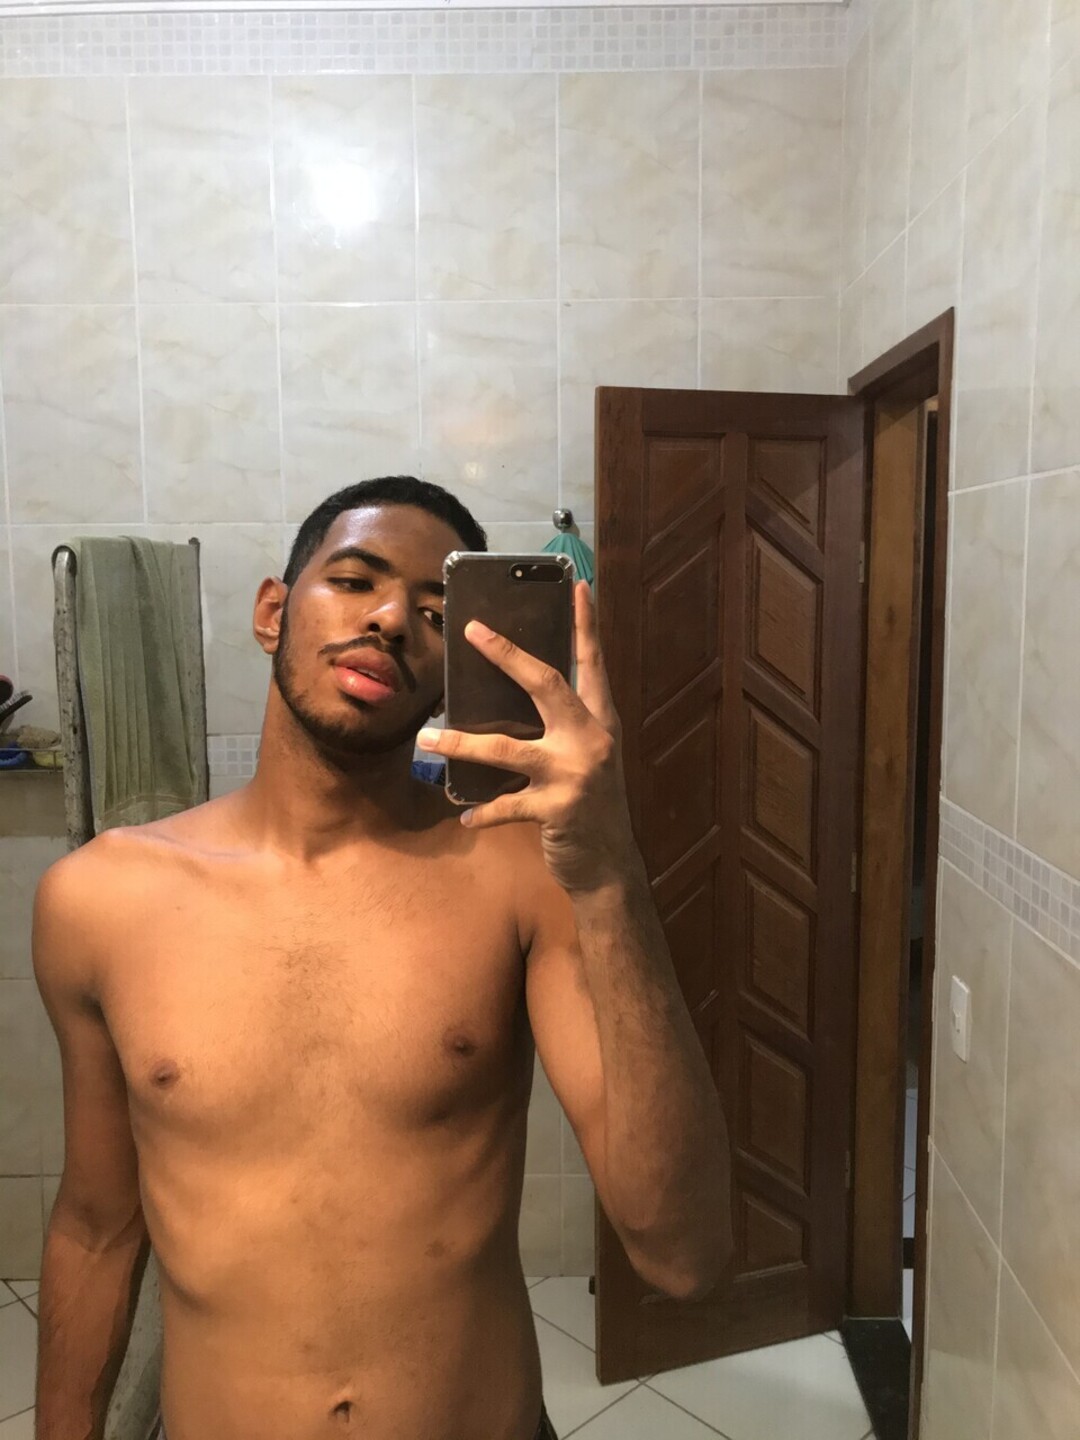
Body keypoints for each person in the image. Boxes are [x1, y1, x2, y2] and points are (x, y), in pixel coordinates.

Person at [32, 477, 732, 1440]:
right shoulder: (100, 900)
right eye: (356, 580)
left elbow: (683, 1255)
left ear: (457, 669)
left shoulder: (519, 875)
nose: (394, 618)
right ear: (273, 612)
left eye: (438, 613)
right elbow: (95, 1228)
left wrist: (610, 872)